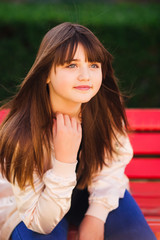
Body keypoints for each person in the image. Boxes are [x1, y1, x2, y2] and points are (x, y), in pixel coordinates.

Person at [0, 22, 156, 240]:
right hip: (37, 208)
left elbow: (111, 169)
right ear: (46, 74)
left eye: (93, 65)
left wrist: (96, 215)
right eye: (71, 65)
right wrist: (64, 162)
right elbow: (40, 222)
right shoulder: (22, 132)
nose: (86, 75)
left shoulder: (105, 111)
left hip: (90, 194)